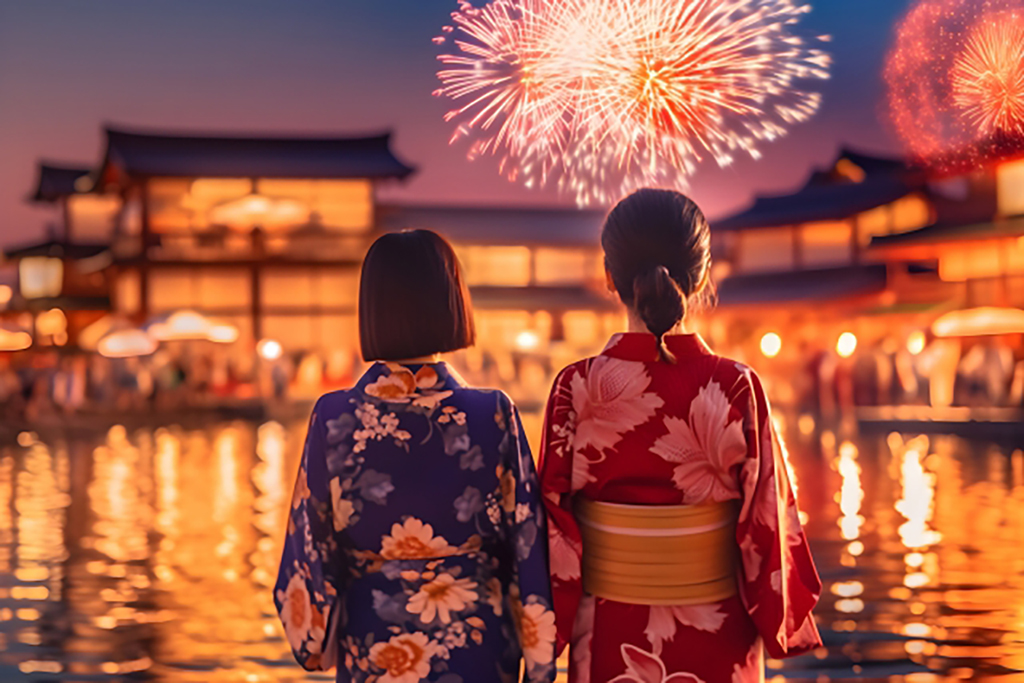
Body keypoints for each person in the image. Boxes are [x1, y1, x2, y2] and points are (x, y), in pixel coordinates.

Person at [539, 190, 822, 683]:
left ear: (609, 277)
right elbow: (768, 526)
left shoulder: (576, 387)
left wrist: (543, 633)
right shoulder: (736, 385)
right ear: (702, 277)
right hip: (718, 631)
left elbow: (551, 530)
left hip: (609, 629)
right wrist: (780, 617)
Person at [275, 230, 556, 683]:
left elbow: (310, 552)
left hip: (376, 646)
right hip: (478, 645)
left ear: (371, 309)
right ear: (452, 303)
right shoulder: (493, 413)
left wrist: (313, 642)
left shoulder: (333, 417)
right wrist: (540, 667)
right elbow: (528, 544)